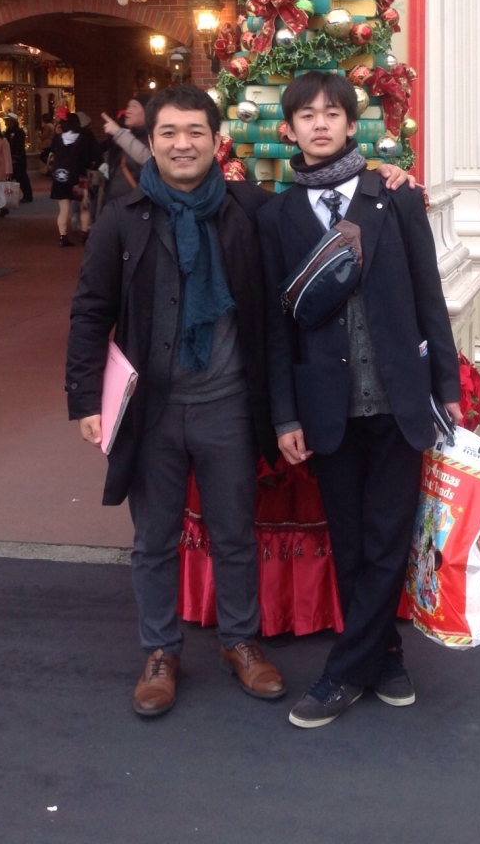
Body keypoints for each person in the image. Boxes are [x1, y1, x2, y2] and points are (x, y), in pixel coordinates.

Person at [66, 83, 414, 720]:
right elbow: (91, 310)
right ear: (152, 141)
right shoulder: (124, 216)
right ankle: (161, 651)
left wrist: (387, 175)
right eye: (169, 133)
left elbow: (322, 210)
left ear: (217, 140)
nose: (182, 144)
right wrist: (85, 398)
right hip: (152, 408)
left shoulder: (250, 208)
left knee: (233, 533)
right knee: (153, 538)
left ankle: (239, 640)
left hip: (228, 403)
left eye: (195, 132)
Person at [257, 72, 462, 729]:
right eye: (307, 116)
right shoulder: (277, 216)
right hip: (327, 406)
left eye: (332, 114)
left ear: (352, 124)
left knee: (388, 539)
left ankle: (344, 672)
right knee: (349, 542)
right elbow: (276, 327)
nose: (319, 124)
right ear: (288, 129)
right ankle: (385, 657)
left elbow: (428, 294)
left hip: (399, 399)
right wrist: (285, 414)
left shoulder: (393, 197)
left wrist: (447, 387)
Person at [49, 113, 98, 247]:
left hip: (61, 177)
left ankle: (63, 237)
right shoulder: (84, 139)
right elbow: (90, 158)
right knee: (84, 207)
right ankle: (83, 234)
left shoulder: (58, 139)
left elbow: (51, 152)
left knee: (63, 210)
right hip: (79, 178)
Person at [101, 94, 153, 202]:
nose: (127, 111)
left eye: (134, 106)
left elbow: (149, 161)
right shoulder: (129, 137)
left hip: (134, 206)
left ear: (148, 111)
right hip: (117, 205)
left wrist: (118, 132)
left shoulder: (152, 140)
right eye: (128, 106)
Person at [3, 111, 33, 204]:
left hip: (18, 159)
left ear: (12, 121)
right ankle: (9, 197)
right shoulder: (7, 132)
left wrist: (15, 158)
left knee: (21, 177)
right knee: (10, 178)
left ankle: (28, 195)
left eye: (7, 120)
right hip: (10, 158)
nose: (5, 121)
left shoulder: (19, 132)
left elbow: (19, 146)